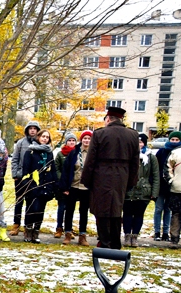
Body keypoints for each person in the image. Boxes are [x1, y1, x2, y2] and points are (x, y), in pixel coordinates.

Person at [81, 107, 140, 250]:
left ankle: (105, 241)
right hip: (122, 176)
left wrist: (87, 180)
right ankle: (115, 242)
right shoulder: (133, 135)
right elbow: (135, 161)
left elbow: (90, 160)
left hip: (102, 175)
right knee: (116, 209)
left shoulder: (100, 134)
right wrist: (131, 181)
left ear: (108, 119)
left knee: (101, 209)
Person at [122, 134, 159, 247]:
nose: (139, 144)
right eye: (137, 142)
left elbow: (156, 175)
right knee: (127, 214)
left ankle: (135, 236)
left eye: (141, 142)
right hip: (128, 190)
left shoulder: (151, 157)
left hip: (144, 191)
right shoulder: (128, 156)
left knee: (139, 215)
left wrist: (154, 193)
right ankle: (127, 236)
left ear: (144, 143)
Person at [19, 129, 56, 243]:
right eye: (43, 136)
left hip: (45, 185)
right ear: (38, 137)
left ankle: (36, 231)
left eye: (47, 137)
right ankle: (28, 230)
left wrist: (53, 185)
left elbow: (53, 170)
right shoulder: (30, 152)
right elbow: (26, 170)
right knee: (32, 208)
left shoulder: (49, 153)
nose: (45, 139)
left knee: (40, 210)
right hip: (33, 185)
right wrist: (27, 185)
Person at [59, 129, 92, 246]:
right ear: (81, 140)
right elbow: (66, 170)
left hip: (86, 187)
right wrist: (65, 187)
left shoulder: (94, 153)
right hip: (73, 186)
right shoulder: (74, 152)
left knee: (83, 212)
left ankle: (82, 236)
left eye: (89, 138)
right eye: (85, 138)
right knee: (69, 210)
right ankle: (67, 234)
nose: (87, 140)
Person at [9, 120, 41, 236]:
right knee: (19, 202)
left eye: (35, 128)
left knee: (30, 202)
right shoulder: (21, 143)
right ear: (27, 130)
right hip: (20, 177)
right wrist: (15, 175)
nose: (32, 130)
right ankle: (16, 225)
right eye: (30, 128)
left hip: (34, 178)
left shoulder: (39, 143)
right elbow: (15, 159)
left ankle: (27, 226)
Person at [153, 132, 180, 240]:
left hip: (173, 187)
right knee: (158, 209)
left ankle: (166, 232)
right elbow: (156, 168)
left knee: (168, 210)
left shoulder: (178, 153)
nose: (174, 141)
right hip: (161, 185)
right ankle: (157, 232)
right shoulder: (161, 152)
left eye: (176, 140)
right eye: (172, 139)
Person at [52, 132, 77, 239]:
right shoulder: (60, 154)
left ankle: (69, 229)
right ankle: (59, 228)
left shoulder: (78, 153)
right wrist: (63, 180)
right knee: (61, 207)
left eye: (73, 140)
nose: (71, 142)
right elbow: (56, 168)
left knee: (70, 208)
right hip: (61, 185)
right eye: (69, 140)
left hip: (74, 185)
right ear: (66, 142)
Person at [166, 139, 181, 246]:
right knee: (176, 214)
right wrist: (172, 180)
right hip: (177, 189)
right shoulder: (176, 152)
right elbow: (168, 168)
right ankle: (174, 238)